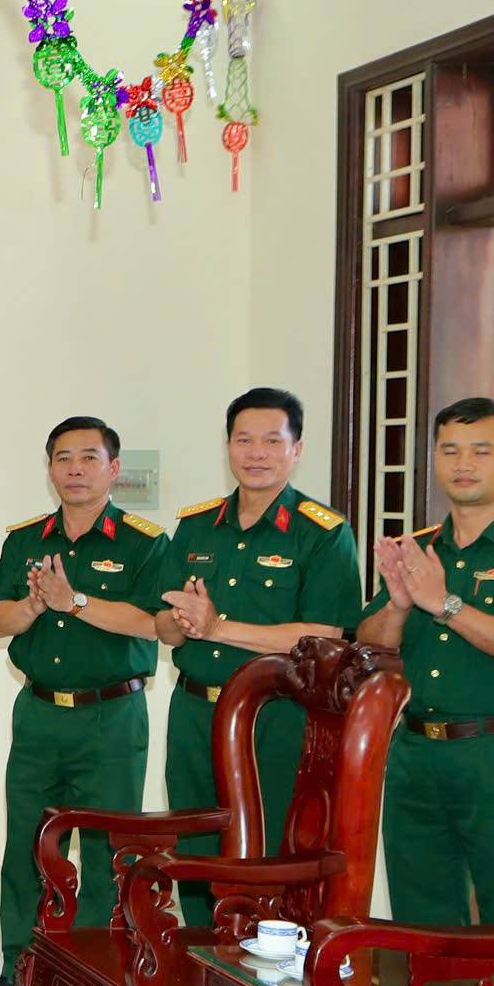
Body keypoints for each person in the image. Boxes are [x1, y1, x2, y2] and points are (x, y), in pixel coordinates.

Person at [357, 398, 494, 986]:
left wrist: (445, 604)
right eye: (450, 450)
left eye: (482, 451)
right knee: (423, 925)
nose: (463, 464)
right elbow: (369, 643)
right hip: (417, 756)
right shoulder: (419, 551)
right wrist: (399, 606)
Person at [0, 416, 170, 986]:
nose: (75, 469)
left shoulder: (144, 542)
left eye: (89, 458)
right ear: (50, 469)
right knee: (28, 843)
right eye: (63, 458)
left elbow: (153, 624)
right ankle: (21, 966)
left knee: (108, 849)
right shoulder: (25, 539)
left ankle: (95, 973)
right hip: (39, 714)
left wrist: (75, 601)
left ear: (114, 468)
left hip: (112, 716)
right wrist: (34, 607)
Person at [157, 386, 361, 925]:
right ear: (228, 446)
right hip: (195, 712)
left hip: (276, 717)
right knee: (196, 846)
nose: (257, 453)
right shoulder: (196, 526)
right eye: (244, 440)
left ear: (297, 450)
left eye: (272, 441)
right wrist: (179, 623)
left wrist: (217, 627)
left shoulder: (324, 533)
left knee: (268, 854)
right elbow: (167, 625)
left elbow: (325, 635)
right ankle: (201, 960)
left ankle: (261, 969)